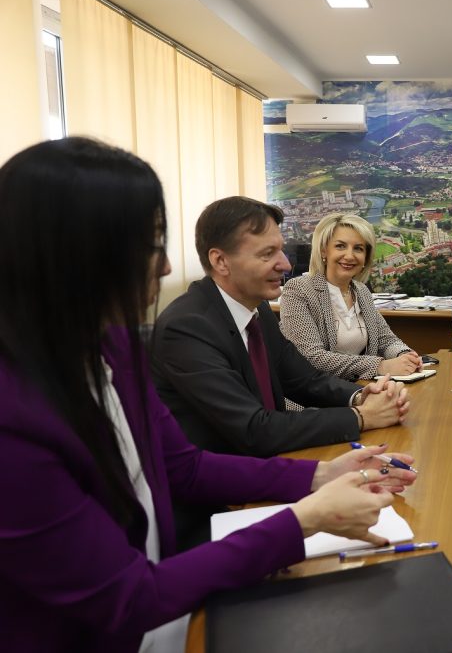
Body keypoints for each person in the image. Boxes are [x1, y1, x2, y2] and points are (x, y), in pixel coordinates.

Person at [0, 138, 418, 652]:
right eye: (149, 246)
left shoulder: (116, 349)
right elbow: (126, 599)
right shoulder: (13, 419)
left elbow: (185, 467)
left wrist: (322, 474)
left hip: (171, 592)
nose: (164, 268)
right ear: (76, 256)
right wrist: (304, 520)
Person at [152, 196, 410, 458]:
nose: (286, 265)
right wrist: (361, 417)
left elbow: (303, 380)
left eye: (281, 250)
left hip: (272, 459)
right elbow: (254, 429)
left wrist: (362, 396)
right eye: (268, 254)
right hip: (229, 476)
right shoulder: (186, 328)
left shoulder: (259, 310)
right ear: (220, 261)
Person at [280, 213, 421, 381]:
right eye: (340, 246)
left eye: (358, 248)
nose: (349, 256)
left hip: (359, 387)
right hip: (315, 394)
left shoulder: (361, 291)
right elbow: (310, 357)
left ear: (365, 257)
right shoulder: (298, 290)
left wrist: (405, 355)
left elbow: (386, 339)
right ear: (324, 250)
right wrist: (380, 366)